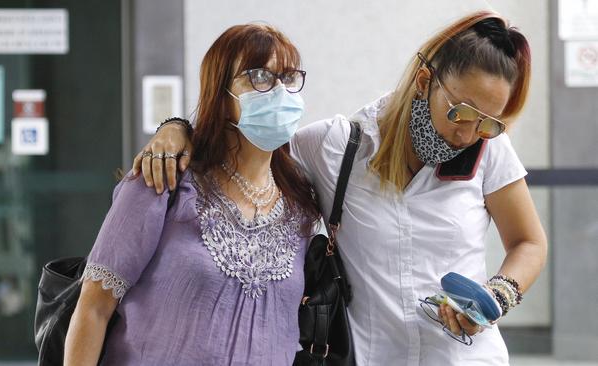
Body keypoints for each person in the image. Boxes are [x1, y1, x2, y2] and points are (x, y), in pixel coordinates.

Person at [135, 11, 548, 366]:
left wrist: (499, 293)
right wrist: (177, 128)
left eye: (489, 122)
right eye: (461, 112)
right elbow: (243, 150)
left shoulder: (490, 152)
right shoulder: (333, 147)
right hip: (370, 357)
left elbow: (529, 242)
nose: (469, 134)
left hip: (468, 357)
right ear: (425, 81)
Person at [64, 23, 320, 365]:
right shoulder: (163, 181)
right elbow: (93, 309)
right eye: (258, 76)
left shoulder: (301, 205)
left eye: (287, 77)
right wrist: (175, 126)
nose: (278, 91)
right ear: (222, 95)